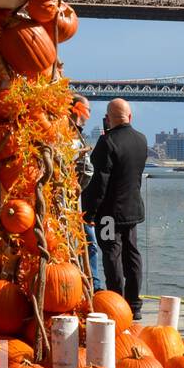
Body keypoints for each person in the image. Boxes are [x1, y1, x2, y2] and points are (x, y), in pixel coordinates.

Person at [82, 98, 148, 319]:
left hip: (110, 216)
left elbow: (98, 184)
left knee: (112, 255)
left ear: (108, 119)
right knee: (133, 254)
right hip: (132, 213)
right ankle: (135, 304)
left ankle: (116, 304)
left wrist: (89, 213)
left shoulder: (107, 142)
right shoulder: (141, 140)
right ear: (130, 117)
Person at [70, 94, 103, 292]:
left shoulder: (77, 134)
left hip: (75, 202)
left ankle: (91, 285)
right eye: (88, 110)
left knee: (88, 243)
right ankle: (91, 286)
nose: (90, 114)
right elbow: (86, 169)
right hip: (71, 203)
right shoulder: (71, 135)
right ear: (78, 109)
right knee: (88, 243)